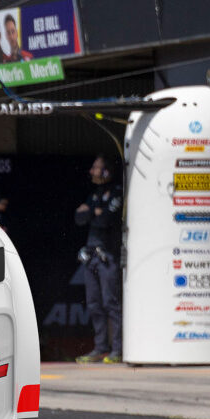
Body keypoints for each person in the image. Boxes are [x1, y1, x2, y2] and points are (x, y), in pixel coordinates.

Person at [74, 155, 124, 364]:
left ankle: (117, 350)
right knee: (94, 304)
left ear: (106, 171)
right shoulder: (94, 194)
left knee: (111, 302)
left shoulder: (117, 192)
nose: (92, 171)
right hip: (90, 256)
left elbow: (106, 220)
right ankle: (101, 348)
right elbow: (78, 218)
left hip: (107, 256)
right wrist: (95, 211)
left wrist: (92, 212)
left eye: (96, 167)